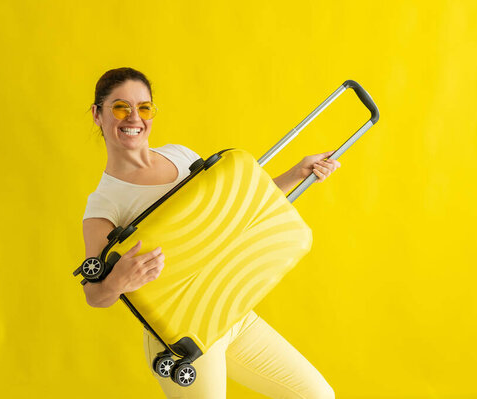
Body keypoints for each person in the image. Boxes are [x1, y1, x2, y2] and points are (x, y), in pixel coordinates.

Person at [82, 67, 339, 398]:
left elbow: (238, 212)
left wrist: (297, 173)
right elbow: (94, 295)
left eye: (144, 107)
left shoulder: (180, 155)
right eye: (120, 107)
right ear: (97, 114)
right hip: (180, 335)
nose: (134, 118)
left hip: (232, 313)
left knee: (317, 395)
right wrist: (118, 281)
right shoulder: (104, 204)